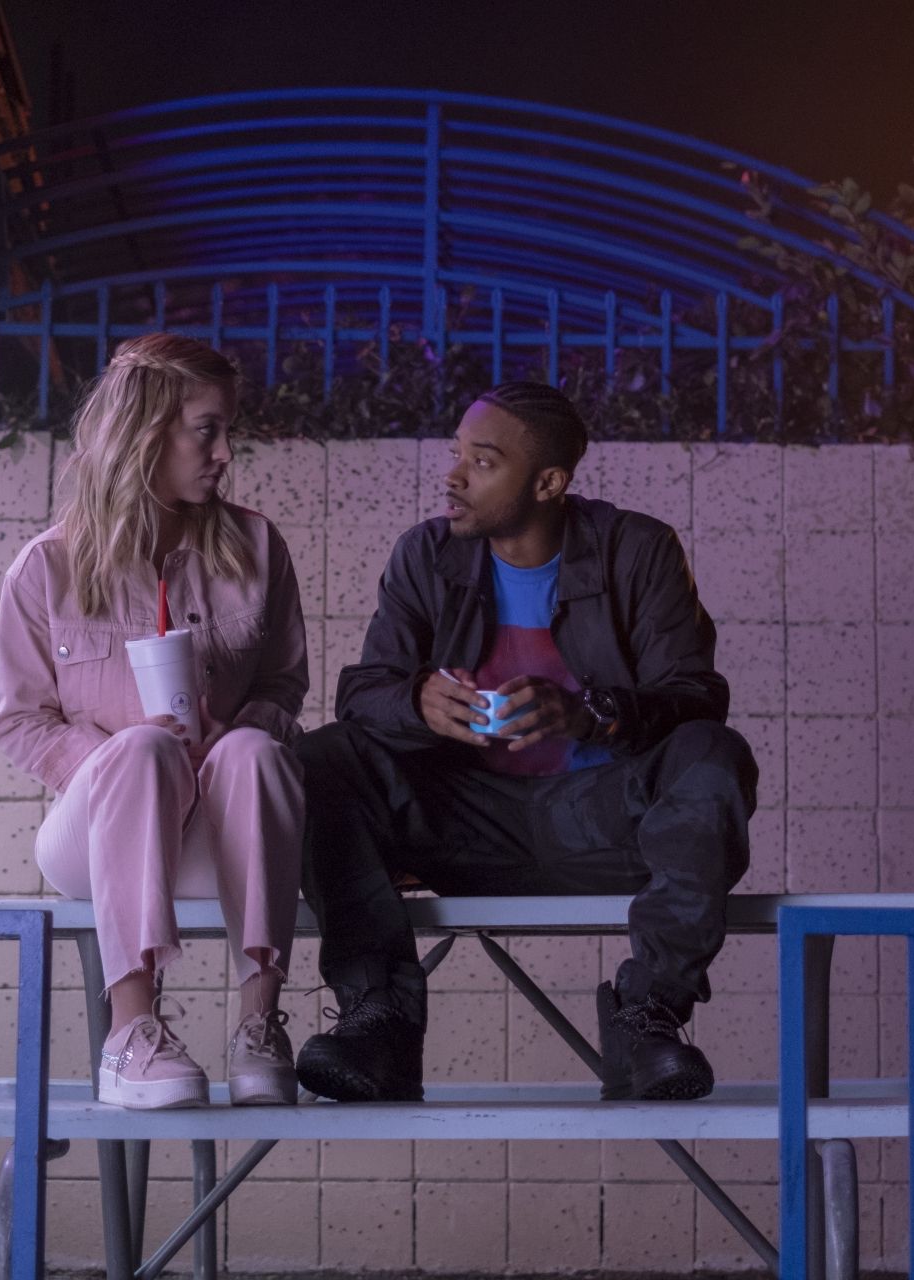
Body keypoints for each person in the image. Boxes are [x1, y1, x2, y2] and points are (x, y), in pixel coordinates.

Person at [294, 381, 757, 1104]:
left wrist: (590, 714)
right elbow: (362, 695)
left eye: (481, 461)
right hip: (462, 821)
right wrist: (414, 700)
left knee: (713, 756)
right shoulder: (425, 556)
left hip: (603, 824)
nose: (452, 476)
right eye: (456, 455)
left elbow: (698, 698)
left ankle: (649, 1020)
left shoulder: (635, 550)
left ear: (548, 482)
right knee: (323, 756)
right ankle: (377, 1018)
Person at [0, 333, 308, 1108]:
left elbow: (284, 685)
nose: (226, 451)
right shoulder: (47, 567)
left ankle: (259, 1031)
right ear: (146, 432)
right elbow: (21, 721)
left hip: (217, 834)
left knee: (254, 752)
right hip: (99, 833)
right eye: (208, 429)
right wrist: (114, 758)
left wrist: (223, 731)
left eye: (228, 430)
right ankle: (130, 1033)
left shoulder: (258, 546)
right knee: (138, 753)